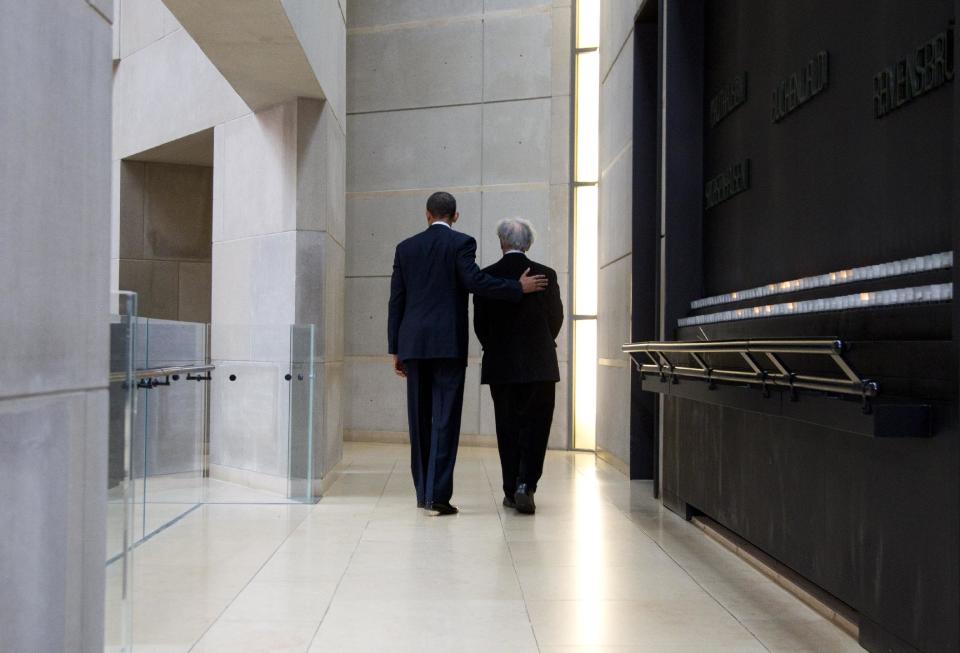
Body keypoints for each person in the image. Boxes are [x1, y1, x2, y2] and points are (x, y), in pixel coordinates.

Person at [388, 192, 548, 515]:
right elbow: (476, 282)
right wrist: (517, 288)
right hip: (448, 346)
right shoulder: (462, 243)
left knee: (419, 422)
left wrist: (396, 349)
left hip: (414, 346)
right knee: (445, 420)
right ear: (455, 216)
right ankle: (439, 497)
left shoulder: (405, 248)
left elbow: (396, 301)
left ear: (427, 215)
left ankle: (423, 494)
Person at [473, 218, 563, 515]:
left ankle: (511, 489)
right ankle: (527, 484)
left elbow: (480, 326)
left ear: (501, 243)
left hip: (501, 365)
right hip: (540, 365)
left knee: (507, 426)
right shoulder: (546, 274)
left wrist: (497, 347)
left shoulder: (487, 277)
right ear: (529, 244)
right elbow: (555, 319)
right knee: (537, 427)